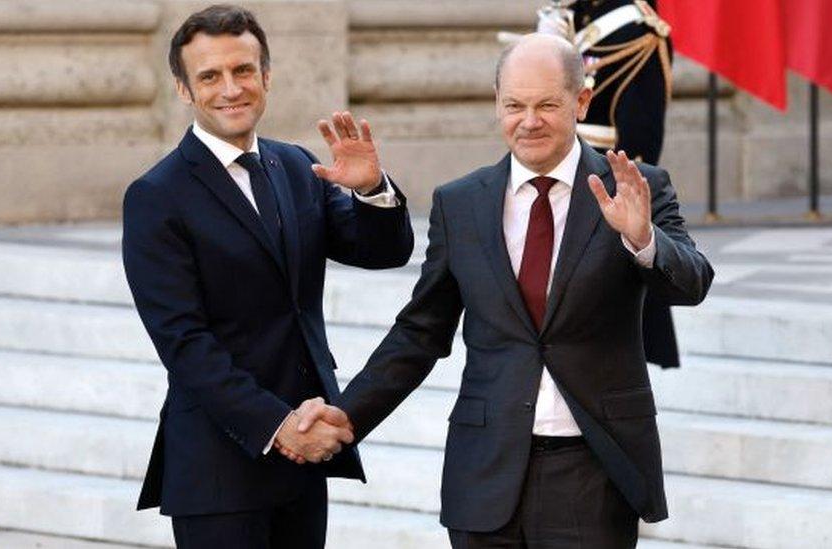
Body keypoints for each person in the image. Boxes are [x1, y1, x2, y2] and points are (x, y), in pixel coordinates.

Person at [294, 34, 712, 547]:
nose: (528, 120)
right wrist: (346, 412)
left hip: (594, 472)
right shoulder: (461, 203)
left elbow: (692, 284)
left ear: (581, 102)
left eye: (546, 105)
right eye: (514, 104)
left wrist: (642, 238)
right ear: (497, 104)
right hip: (485, 472)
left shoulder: (634, 186)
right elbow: (420, 333)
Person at [121, 4, 413, 548]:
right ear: (185, 90)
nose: (230, 88)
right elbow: (184, 344)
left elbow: (381, 252)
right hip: (221, 467)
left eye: (243, 71)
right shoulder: (156, 197)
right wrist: (277, 428)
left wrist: (372, 190)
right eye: (209, 76)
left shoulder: (297, 166)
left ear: (266, 77)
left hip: (305, 457)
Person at [534, 0, 682, 369]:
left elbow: (640, 144)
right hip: (547, 177)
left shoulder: (640, 32)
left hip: (598, 189)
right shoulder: (570, 18)